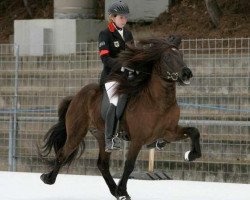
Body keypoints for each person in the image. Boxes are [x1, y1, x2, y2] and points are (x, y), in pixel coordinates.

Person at [98, 0, 134, 152]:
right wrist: (121, 65)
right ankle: (109, 139)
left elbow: (133, 53)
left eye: (125, 17)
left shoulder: (128, 33)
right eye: (121, 17)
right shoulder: (105, 34)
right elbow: (105, 59)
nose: (124, 20)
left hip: (127, 75)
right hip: (111, 76)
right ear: (112, 17)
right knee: (114, 101)